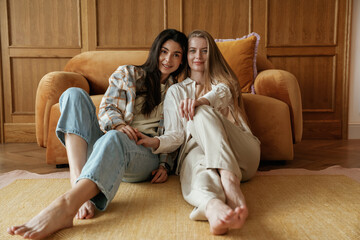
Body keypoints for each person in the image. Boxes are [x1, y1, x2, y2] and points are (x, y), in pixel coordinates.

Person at [7, 29, 188, 239]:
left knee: (115, 138)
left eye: (176, 54)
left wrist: (165, 164)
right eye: (164, 51)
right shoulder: (129, 74)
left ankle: (65, 205)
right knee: (72, 94)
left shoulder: (178, 91)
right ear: (155, 50)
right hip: (109, 143)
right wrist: (119, 125)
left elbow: (176, 132)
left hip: (142, 156)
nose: (168, 59)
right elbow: (107, 108)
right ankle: (78, 187)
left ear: (182, 60)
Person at [137, 30, 261, 235]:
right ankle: (213, 208)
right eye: (193, 51)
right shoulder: (176, 91)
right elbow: (176, 135)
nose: (198, 56)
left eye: (205, 51)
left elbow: (222, 94)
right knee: (199, 171)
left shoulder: (225, 82)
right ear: (186, 56)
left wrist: (200, 102)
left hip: (243, 154)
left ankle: (229, 181)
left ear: (212, 54)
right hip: (200, 153)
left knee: (200, 111)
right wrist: (155, 143)